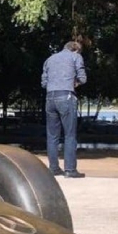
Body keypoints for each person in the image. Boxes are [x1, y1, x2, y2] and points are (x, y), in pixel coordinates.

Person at [42, 41, 87, 178]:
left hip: (50, 97)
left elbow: (44, 82)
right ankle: (70, 169)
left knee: (52, 135)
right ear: (76, 50)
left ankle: (54, 168)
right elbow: (83, 78)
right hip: (66, 96)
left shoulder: (49, 59)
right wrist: (75, 83)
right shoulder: (76, 57)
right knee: (70, 134)